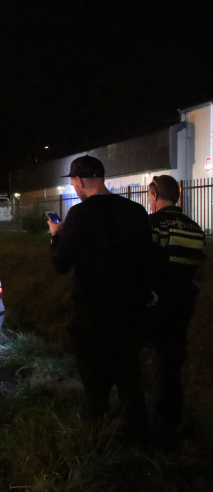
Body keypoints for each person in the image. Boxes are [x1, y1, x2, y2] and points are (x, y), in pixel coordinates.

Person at [47, 155, 151, 431]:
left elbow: (60, 263)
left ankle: (96, 434)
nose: (74, 187)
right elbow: (147, 260)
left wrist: (56, 235)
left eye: (73, 182)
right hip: (130, 310)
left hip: (92, 311)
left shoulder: (79, 215)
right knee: (130, 377)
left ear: (80, 181)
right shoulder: (136, 211)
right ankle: (139, 436)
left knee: (94, 381)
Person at [145, 175, 206, 435]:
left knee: (150, 360)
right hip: (184, 302)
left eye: (150, 196)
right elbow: (199, 268)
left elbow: (143, 261)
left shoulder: (154, 224)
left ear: (155, 196)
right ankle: (173, 417)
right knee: (172, 360)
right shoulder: (195, 228)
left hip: (156, 302)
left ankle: (154, 420)